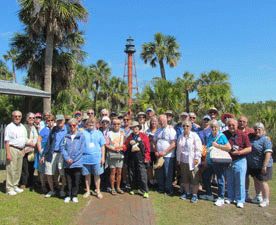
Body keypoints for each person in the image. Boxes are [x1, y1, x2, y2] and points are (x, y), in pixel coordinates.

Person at [200, 120, 231, 206]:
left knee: (220, 179)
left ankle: (221, 198)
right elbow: (207, 148)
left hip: (219, 161)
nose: (213, 128)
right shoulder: (210, 136)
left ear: (218, 127)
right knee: (205, 176)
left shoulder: (221, 136)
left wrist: (217, 145)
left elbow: (229, 147)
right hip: (211, 162)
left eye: (215, 127)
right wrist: (206, 160)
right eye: (212, 127)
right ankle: (209, 194)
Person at [223, 119, 251, 208]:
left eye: (233, 125)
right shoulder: (225, 134)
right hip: (228, 160)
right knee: (229, 180)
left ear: (237, 125)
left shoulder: (243, 135)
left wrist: (239, 152)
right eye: (229, 125)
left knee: (240, 181)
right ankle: (231, 197)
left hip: (240, 159)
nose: (231, 127)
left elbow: (249, 148)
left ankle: (240, 200)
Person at [40, 114, 68, 198]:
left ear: (63, 121)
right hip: (52, 153)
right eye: (58, 120)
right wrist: (44, 155)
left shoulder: (67, 129)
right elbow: (48, 143)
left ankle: (62, 189)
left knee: (62, 172)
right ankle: (52, 190)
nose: (59, 122)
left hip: (62, 153)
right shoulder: (53, 130)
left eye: (61, 120)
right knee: (49, 172)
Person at [247, 123, 273, 207]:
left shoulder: (265, 140)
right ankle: (258, 196)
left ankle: (266, 199)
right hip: (254, 165)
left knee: (263, 182)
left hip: (263, 165)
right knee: (256, 180)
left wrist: (265, 165)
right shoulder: (253, 139)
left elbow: (268, 153)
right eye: (255, 129)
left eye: (259, 129)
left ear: (263, 130)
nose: (257, 131)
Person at [177, 120, 202, 203]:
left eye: (187, 126)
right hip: (183, 160)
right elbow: (178, 149)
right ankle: (187, 193)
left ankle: (194, 195)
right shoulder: (180, 136)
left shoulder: (194, 136)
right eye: (184, 126)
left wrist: (197, 158)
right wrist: (178, 159)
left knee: (194, 178)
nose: (185, 127)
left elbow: (199, 148)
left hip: (192, 161)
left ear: (190, 127)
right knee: (185, 178)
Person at [61, 118, 86, 203]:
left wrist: (73, 159)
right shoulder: (65, 136)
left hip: (77, 163)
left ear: (77, 125)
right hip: (67, 162)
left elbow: (81, 150)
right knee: (68, 180)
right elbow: (62, 148)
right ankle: (68, 195)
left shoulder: (81, 136)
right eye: (70, 125)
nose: (72, 127)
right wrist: (67, 158)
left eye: (74, 125)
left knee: (76, 180)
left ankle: (74, 195)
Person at [124, 121, 151, 198]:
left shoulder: (143, 136)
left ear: (139, 128)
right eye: (133, 127)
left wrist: (147, 157)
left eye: (136, 127)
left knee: (142, 174)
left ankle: (145, 191)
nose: (135, 128)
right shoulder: (130, 136)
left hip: (141, 158)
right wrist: (121, 149)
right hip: (132, 158)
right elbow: (126, 146)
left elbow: (147, 148)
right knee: (132, 174)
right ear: (131, 128)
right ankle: (134, 188)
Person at [5, 110, 27, 195]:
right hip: (12, 149)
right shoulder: (9, 127)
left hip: (20, 149)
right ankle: (9, 188)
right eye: (15, 116)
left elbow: (24, 139)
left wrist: (24, 149)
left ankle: (15, 185)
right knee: (11, 169)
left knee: (18, 169)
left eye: (19, 116)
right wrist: (8, 153)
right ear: (12, 117)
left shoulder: (22, 126)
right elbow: (6, 141)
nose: (17, 118)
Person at [82, 117, 106, 199]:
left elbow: (103, 146)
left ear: (95, 124)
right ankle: (88, 191)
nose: (91, 124)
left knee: (97, 175)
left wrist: (103, 157)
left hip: (96, 158)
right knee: (87, 176)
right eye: (89, 123)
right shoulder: (83, 133)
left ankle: (98, 191)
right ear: (87, 124)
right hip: (85, 158)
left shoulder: (99, 133)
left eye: (93, 123)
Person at [153, 114, 177, 195]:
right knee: (160, 173)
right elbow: (154, 142)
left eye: (163, 120)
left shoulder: (171, 130)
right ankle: (161, 188)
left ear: (167, 120)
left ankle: (169, 189)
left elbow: (173, 143)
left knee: (168, 173)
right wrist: (155, 151)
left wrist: (165, 151)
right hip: (159, 155)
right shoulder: (158, 130)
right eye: (160, 121)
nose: (162, 122)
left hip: (168, 156)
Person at [36, 114, 55, 193]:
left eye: (51, 121)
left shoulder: (55, 130)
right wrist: (40, 151)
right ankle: (43, 185)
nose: (50, 122)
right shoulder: (44, 130)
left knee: (50, 170)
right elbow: (38, 141)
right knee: (42, 170)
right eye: (48, 121)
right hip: (43, 151)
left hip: (52, 152)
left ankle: (52, 185)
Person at [105, 119, 125, 195]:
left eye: (118, 124)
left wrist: (120, 148)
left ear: (120, 125)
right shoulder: (108, 133)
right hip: (112, 154)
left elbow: (124, 143)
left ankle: (118, 187)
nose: (116, 125)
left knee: (119, 171)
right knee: (113, 171)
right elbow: (106, 144)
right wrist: (113, 148)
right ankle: (112, 188)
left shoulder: (122, 133)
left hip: (120, 154)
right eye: (114, 124)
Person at [21, 112, 38, 189]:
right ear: (27, 119)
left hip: (33, 150)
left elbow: (37, 137)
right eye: (30, 118)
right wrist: (32, 144)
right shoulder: (24, 127)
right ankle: (23, 183)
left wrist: (35, 145)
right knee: (25, 167)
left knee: (32, 167)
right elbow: (24, 138)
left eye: (33, 118)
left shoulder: (35, 128)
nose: (32, 119)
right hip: (26, 149)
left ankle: (31, 182)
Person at [145, 116, 159, 186]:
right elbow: (144, 140)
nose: (154, 123)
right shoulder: (147, 131)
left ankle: (156, 180)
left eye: (155, 121)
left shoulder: (159, 130)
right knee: (149, 167)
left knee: (156, 166)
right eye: (152, 121)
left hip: (157, 151)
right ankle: (150, 181)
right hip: (149, 151)